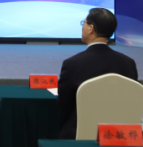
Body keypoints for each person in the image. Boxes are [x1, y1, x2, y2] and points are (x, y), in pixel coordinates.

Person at [57, 8, 138, 139]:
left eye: (83, 23)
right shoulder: (128, 63)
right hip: (119, 135)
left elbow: (63, 104)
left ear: (91, 28)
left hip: (79, 136)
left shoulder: (72, 64)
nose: (82, 27)